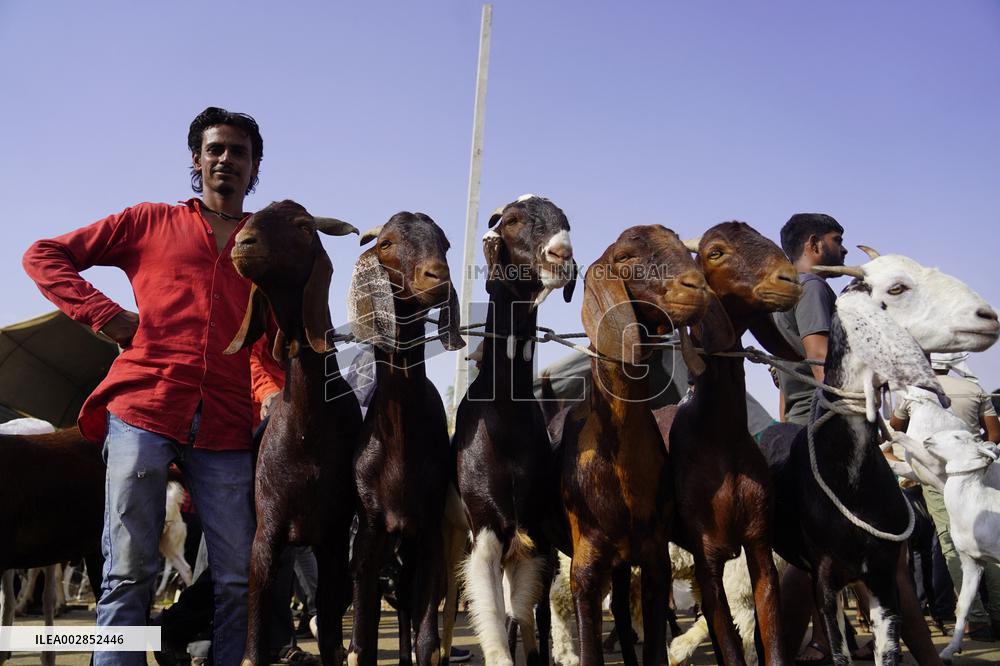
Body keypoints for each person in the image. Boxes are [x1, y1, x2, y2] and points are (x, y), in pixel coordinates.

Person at [22, 107, 264, 666]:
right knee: (129, 572)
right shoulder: (149, 221)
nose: (227, 159)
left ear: (255, 168)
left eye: (240, 152)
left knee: (235, 577)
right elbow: (44, 255)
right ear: (198, 160)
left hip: (228, 423)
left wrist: (273, 388)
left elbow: (276, 337)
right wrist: (107, 316)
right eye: (216, 149)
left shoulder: (264, 246)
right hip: (145, 406)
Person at [891, 352, 1000, 639]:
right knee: (988, 543)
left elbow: (895, 426)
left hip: (938, 478)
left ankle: (975, 618)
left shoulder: (913, 391)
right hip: (976, 472)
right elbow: (994, 434)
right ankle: (999, 613)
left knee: (953, 543)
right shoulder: (974, 388)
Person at [771, 213, 847, 424]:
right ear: (814, 244)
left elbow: (784, 376)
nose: (844, 249)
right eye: (837, 240)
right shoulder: (812, 287)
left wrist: (786, 427)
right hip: (824, 421)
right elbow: (819, 357)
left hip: (799, 424)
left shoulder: (782, 295)